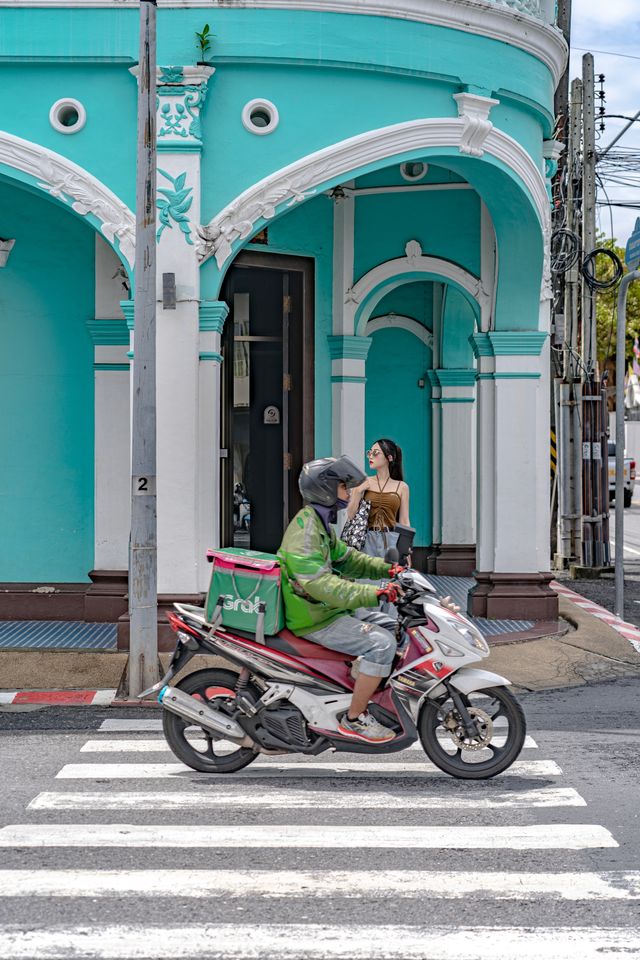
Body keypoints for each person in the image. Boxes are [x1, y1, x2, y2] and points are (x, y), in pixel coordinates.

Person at [278, 456, 405, 743]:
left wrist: (387, 569)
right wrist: (373, 593)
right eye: (342, 487)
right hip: (315, 618)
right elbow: (322, 586)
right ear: (325, 489)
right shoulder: (306, 531)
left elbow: (347, 559)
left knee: (394, 626)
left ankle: (365, 680)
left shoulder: (320, 524)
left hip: (328, 610)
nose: (348, 493)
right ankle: (354, 719)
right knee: (381, 644)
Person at [346, 438, 410, 558]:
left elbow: (404, 521)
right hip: (367, 539)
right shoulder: (363, 482)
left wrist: (405, 551)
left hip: (392, 540)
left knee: (389, 575)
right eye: (369, 452)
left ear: (389, 458)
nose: (370, 456)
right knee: (365, 575)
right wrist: (358, 491)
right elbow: (350, 515)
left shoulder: (402, 487)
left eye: (375, 453)